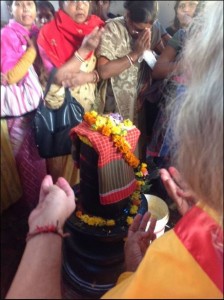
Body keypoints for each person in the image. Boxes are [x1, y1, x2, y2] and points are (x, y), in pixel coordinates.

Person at [5, 2, 223, 298]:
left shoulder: (116, 28)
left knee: (117, 172)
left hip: (124, 112)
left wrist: (45, 231)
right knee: (78, 175)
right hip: (91, 114)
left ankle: (85, 208)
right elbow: (81, 75)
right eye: (72, 0)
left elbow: (140, 65)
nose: (80, 6)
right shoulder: (92, 31)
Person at [36, 0, 104, 186]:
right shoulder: (48, 33)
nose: (80, 5)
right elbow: (58, 77)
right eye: (73, 0)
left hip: (90, 110)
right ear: (61, 3)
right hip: (61, 115)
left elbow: (104, 69)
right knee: (64, 174)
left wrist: (90, 76)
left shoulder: (97, 27)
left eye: (84, 0)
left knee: (88, 169)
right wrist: (84, 50)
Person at [96, 0, 169, 159]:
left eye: (146, 30)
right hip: (113, 107)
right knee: (116, 159)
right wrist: (135, 54)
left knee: (136, 157)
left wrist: (148, 84)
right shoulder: (112, 29)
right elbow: (103, 72)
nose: (142, 35)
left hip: (138, 105)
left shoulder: (153, 29)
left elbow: (164, 60)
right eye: (137, 30)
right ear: (127, 15)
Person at [1, 0, 47, 210]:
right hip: (17, 115)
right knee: (27, 165)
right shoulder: (7, 35)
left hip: (35, 110)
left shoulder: (37, 32)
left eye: (29, 3)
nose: (25, 8)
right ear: (11, 9)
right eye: (19, 4)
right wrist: (32, 51)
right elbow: (10, 76)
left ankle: (44, 207)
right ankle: (34, 216)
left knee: (39, 162)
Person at [145, 0, 202, 164]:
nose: (186, 10)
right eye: (182, 6)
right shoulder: (182, 36)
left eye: (192, 5)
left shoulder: (217, 38)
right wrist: (185, 65)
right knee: (167, 166)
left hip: (206, 114)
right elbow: (157, 70)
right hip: (175, 112)